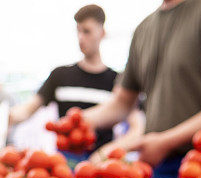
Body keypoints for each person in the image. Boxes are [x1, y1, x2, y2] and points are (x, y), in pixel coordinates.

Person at [84, 0, 201, 178]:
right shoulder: (144, 29)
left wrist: (166, 141)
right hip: (158, 167)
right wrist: (79, 120)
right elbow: (121, 102)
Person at [8, 4, 144, 153]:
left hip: (100, 163)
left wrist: (109, 151)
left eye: (87, 31)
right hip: (64, 160)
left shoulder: (118, 81)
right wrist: (7, 116)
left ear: (102, 33)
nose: (81, 38)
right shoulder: (59, 75)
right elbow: (27, 109)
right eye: (78, 31)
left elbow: (137, 126)